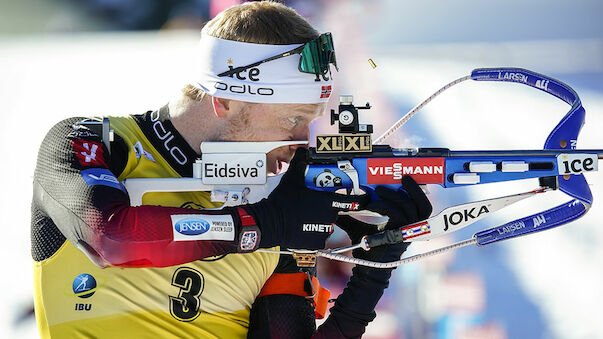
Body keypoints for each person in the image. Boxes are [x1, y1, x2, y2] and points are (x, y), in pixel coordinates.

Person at [31, 1, 432, 338]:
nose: (303, 143)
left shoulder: (272, 199)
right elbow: (112, 238)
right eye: (293, 119)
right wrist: (269, 224)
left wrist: (375, 272)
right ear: (223, 99)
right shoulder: (92, 141)